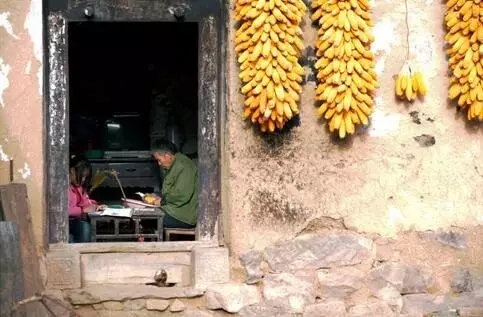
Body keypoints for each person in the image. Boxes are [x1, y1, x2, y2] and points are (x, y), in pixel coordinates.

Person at [150, 139, 198, 229]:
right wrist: (159, 196)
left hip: (183, 216)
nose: (159, 164)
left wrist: (162, 201)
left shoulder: (183, 166)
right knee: (146, 212)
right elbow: (172, 191)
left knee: (147, 217)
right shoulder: (174, 165)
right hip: (174, 210)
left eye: (159, 160)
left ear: (168, 156)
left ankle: (152, 242)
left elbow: (181, 195)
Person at [68, 155, 105, 243]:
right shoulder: (63, 185)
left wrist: (95, 206)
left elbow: (85, 200)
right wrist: (82, 210)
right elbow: (65, 209)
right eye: (82, 176)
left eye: (85, 177)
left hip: (75, 221)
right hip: (66, 222)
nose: (83, 180)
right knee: (84, 227)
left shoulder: (79, 187)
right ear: (72, 171)